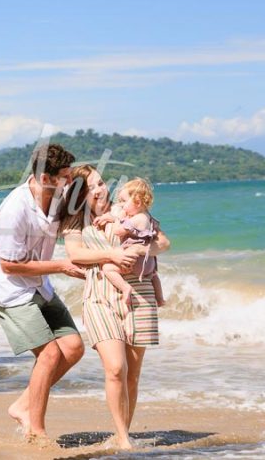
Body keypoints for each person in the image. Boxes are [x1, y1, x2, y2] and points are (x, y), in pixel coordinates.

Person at [61, 165, 170, 450]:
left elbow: (163, 242)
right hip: (99, 297)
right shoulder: (76, 222)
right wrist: (111, 253)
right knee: (115, 368)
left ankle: (124, 433)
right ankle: (123, 439)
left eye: (101, 183)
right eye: (92, 187)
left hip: (140, 295)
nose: (100, 190)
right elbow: (75, 255)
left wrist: (137, 250)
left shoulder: (128, 210)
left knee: (132, 374)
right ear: (80, 194)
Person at [0, 143, 85, 443]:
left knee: (74, 347)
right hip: (10, 290)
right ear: (45, 178)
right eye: (64, 177)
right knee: (50, 354)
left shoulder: (58, 197)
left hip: (40, 284)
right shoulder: (15, 208)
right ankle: (36, 429)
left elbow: (83, 213)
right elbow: (8, 265)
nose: (69, 182)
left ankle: (23, 405)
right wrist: (61, 266)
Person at [95, 178, 165, 307]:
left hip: (135, 261)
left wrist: (118, 217)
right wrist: (111, 216)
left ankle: (125, 288)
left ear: (137, 202)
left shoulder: (138, 219)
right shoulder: (147, 217)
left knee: (108, 268)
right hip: (149, 264)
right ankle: (160, 298)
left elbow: (118, 231)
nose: (121, 205)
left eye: (123, 201)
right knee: (154, 276)